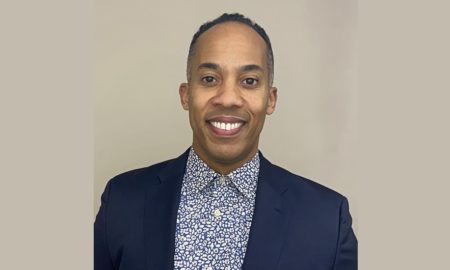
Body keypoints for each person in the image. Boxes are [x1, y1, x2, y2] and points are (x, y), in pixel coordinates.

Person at [94, 13, 357, 270]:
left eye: (249, 81)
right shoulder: (122, 202)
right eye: (210, 79)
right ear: (186, 95)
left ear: (271, 99)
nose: (228, 97)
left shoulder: (327, 220)